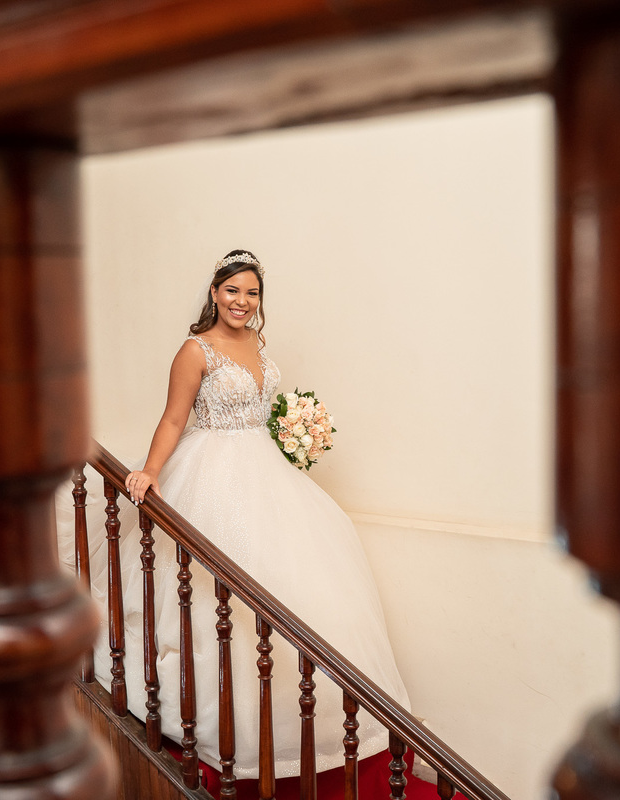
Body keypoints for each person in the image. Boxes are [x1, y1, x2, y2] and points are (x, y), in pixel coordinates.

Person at [89, 249, 411, 780]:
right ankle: (215, 724)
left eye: (252, 292)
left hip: (267, 470)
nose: (242, 301)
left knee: (297, 583)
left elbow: (261, 410)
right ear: (215, 293)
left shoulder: (258, 343)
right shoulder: (195, 350)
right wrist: (149, 470)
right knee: (215, 593)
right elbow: (173, 419)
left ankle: (292, 726)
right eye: (233, 290)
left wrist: (295, 433)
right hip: (212, 469)